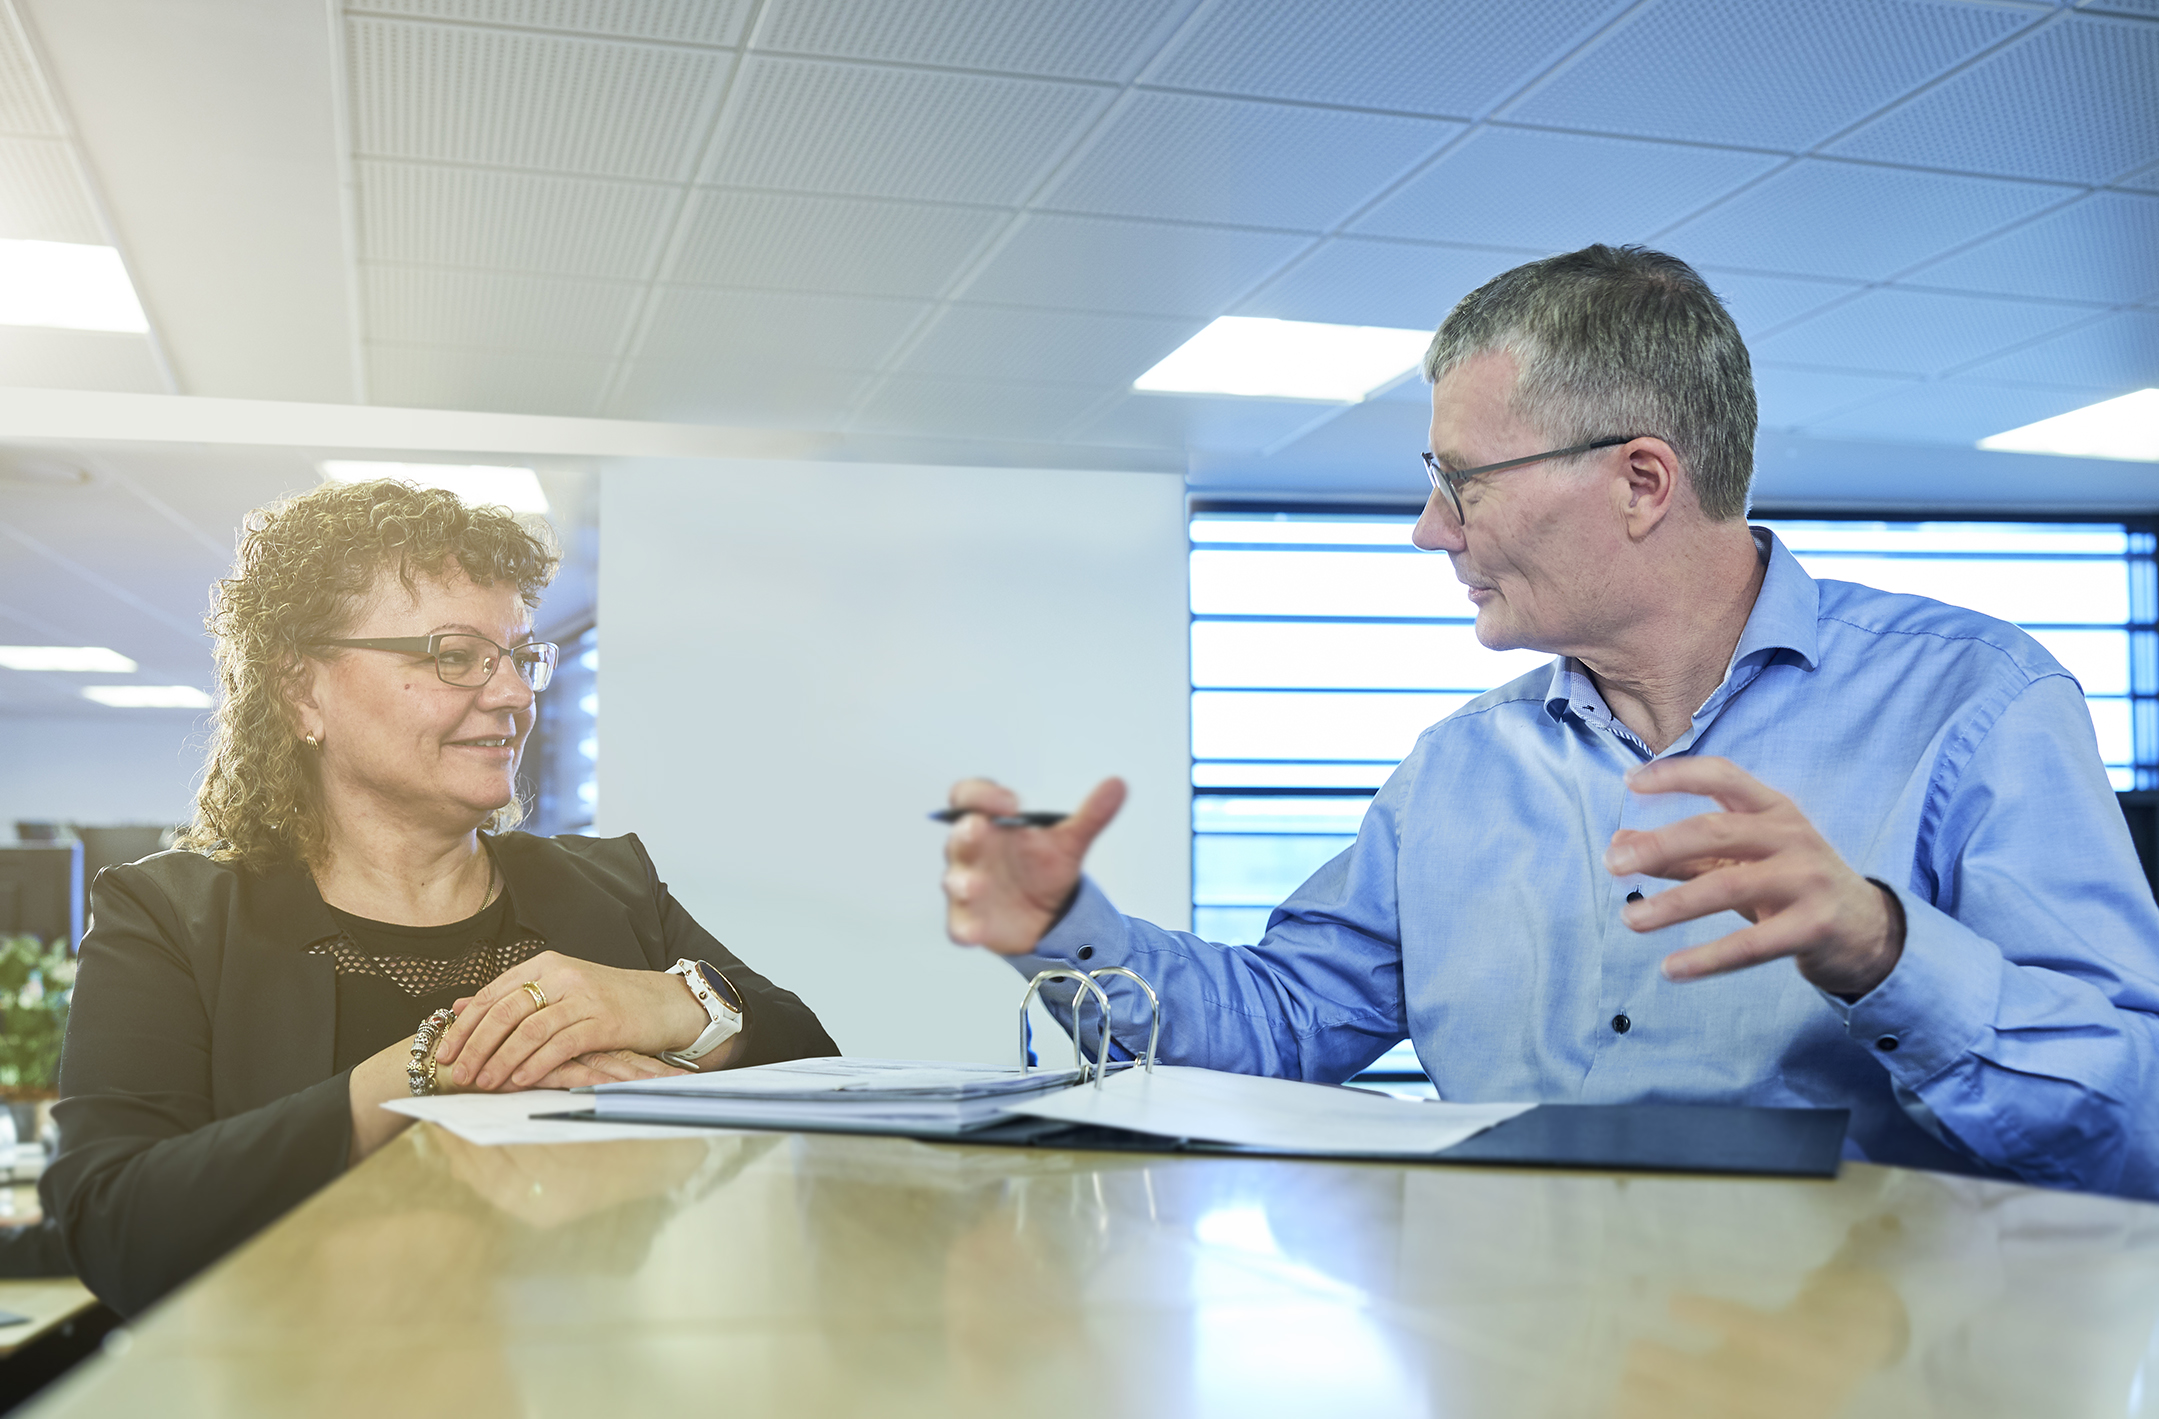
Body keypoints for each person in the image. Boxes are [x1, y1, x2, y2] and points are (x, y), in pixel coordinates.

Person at [940, 244, 2159, 1200]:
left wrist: (1881, 950)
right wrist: (1063, 929)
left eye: (1459, 479)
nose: (1430, 528)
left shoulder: (1975, 703)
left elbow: (2125, 1135)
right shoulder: (1456, 770)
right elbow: (1281, 1023)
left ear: (1639, 481)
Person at [41, 480, 838, 1315]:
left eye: (520, 657)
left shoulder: (612, 886)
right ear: (300, 689)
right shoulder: (171, 917)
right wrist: (430, 1074)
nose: (516, 695)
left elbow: (823, 1070)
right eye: (455, 656)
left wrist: (671, 1003)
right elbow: (114, 1224)